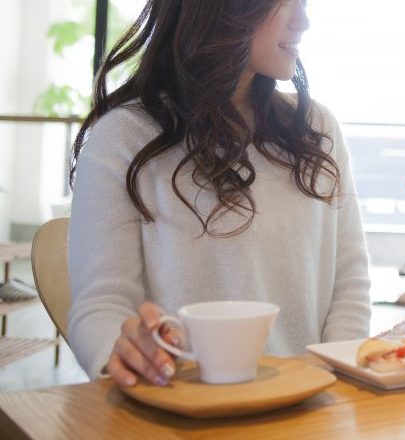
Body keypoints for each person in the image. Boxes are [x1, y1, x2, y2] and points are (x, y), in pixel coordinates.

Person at [67, 0, 371, 388]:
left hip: (310, 405)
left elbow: (350, 285)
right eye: (285, 3)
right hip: (178, 406)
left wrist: (332, 380)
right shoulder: (124, 137)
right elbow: (100, 307)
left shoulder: (316, 130)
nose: (304, 21)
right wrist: (126, 352)